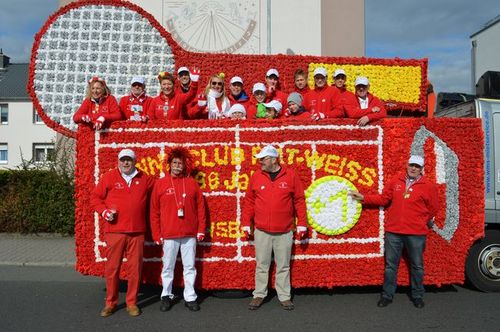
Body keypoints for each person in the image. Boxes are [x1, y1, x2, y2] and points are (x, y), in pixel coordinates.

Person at [349, 155, 439, 309]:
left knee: (417, 266)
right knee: (391, 266)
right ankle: (387, 296)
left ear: (422, 169)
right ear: (407, 165)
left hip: (416, 233)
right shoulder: (396, 181)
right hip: (394, 231)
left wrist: (420, 221)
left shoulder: (428, 186)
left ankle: (417, 296)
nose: (413, 168)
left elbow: (433, 209)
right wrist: (363, 197)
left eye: (417, 166)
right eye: (411, 165)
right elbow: (384, 199)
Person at [242, 145, 308, 311]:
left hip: (284, 231)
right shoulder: (256, 176)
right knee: (262, 265)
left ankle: (284, 296)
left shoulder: (291, 176)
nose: (260, 162)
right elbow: (249, 201)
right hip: (262, 230)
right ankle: (259, 294)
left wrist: (302, 224)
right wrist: (245, 222)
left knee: (283, 265)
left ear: (273, 159)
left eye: (263, 159)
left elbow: (299, 200)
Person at [91, 149, 155, 317]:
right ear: (118, 161)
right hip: (115, 231)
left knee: (135, 269)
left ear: (135, 161)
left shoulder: (145, 178)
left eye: (129, 160)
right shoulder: (109, 177)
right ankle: (110, 303)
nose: (126, 163)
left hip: (137, 231)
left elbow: (159, 190)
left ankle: (131, 303)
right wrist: (104, 212)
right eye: (123, 160)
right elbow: (95, 198)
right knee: (113, 268)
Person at [150, 147, 206, 312]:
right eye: (174, 163)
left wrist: (201, 229)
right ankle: (166, 295)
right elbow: (154, 211)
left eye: (180, 163)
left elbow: (201, 208)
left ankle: (190, 297)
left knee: (189, 267)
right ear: (169, 164)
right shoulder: (160, 184)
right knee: (168, 267)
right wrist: (156, 233)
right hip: (169, 234)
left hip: (189, 234)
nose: (177, 166)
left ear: (185, 165)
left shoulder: (191, 183)